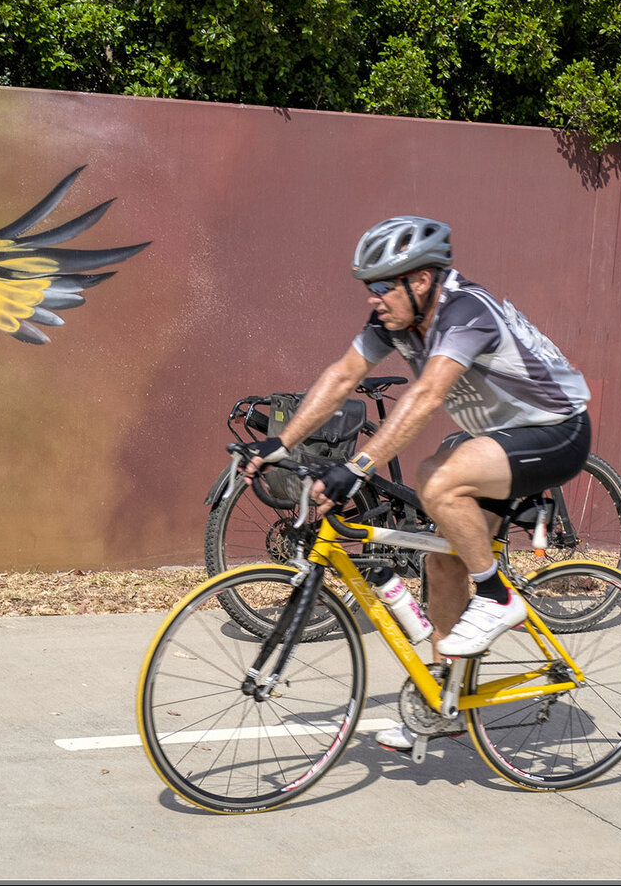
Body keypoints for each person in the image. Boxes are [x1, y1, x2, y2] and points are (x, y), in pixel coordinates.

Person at [239, 215, 592, 751]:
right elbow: (341, 376)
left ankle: (498, 599)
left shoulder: (466, 311)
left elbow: (426, 397)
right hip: (498, 439)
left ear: (420, 281)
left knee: (438, 480)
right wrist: (282, 443)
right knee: (441, 557)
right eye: (367, 288)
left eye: (382, 286)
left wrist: (357, 467)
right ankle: (443, 704)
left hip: (555, 431)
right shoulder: (396, 322)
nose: (372, 300)